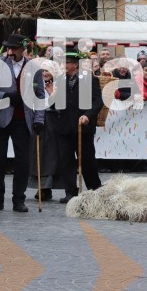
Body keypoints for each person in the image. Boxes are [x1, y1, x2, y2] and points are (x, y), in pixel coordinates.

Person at [0, 34, 46, 213]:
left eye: (14, 48)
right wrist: (5, 96)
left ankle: (19, 199)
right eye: (8, 48)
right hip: (1, 119)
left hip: (23, 121)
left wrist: (39, 119)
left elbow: (40, 94)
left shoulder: (33, 67)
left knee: (23, 162)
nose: (10, 52)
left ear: (23, 49)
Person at [56, 48, 103, 203]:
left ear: (75, 64)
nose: (64, 65)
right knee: (66, 160)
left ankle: (94, 189)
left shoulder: (89, 79)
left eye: (67, 63)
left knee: (87, 159)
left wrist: (88, 115)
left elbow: (98, 101)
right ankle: (70, 191)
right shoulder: (60, 80)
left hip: (83, 126)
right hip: (64, 126)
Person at [28, 69, 65, 202]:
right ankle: (41, 187)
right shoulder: (34, 85)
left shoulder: (59, 85)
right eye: (42, 71)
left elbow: (62, 106)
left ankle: (46, 187)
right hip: (38, 120)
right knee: (38, 155)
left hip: (53, 122)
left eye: (48, 70)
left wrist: (52, 94)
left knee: (51, 156)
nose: (45, 73)